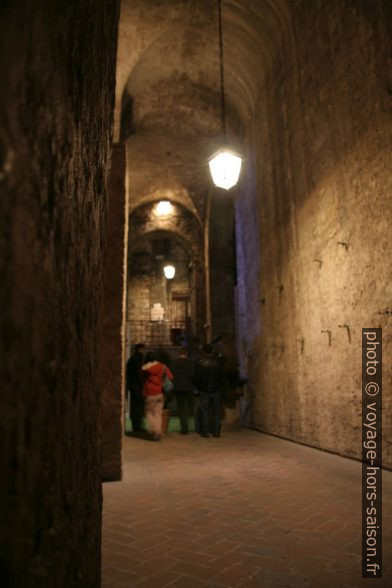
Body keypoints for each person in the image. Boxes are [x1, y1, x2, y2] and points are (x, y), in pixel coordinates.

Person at [141, 351, 173, 441]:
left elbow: (141, 378)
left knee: (149, 412)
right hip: (160, 393)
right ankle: (158, 431)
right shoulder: (163, 367)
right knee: (158, 413)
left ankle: (156, 430)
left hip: (150, 392)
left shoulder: (144, 368)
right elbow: (170, 377)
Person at [194, 344, 224, 438]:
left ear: (204, 352)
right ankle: (216, 432)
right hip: (216, 389)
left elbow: (197, 378)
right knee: (216, 411)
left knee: (205, 411)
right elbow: (222, 377)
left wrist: (197, 389)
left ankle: (205, 431)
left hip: (204, 390)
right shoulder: (218, 363)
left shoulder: (200, 363)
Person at [171, 348, 195, 435]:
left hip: (178, 388)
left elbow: (171, 375)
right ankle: (189, 424)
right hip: (188, 387)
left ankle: (184, 428)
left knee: (181, 408)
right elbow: (193, 375)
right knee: (189, 406)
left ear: (179, 353)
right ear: (186, 353)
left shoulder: (174, 363)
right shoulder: (190, 363)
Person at [125, 343, 145, 432]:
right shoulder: (138, 359)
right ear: (140, 349)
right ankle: (137, 426)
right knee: (138, 406)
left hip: (132, 385)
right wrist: (142, 383)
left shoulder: (132, 359)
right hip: (137, 386)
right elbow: (139, 373)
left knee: (134, 406)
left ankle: (135, 425)